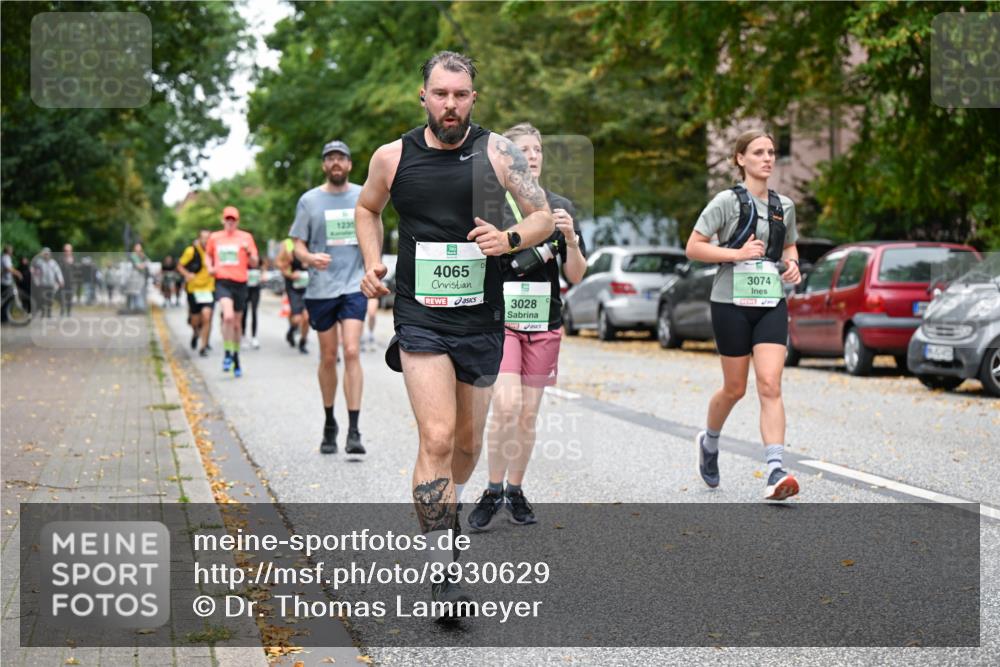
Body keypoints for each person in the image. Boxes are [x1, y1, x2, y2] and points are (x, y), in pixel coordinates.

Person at [357, 51, 554, 611]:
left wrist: (509, 238)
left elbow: (541, 217)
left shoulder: (498, 152)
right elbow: (367, 210)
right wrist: (373, 263)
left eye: (461, 94)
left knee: (467, 443)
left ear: (474, 98)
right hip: (421, 316)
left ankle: (452, 504)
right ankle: (443, 565)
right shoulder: (392, 157)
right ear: (423, 95)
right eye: (440, 93)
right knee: (438, 437)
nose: (450, 104)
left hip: (483, 318)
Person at [467, 123, 587, 531]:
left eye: (536, 150)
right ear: (507, 158)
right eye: (522, 150)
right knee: (506, 406)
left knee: (527, 415)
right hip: (501, 322)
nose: (531, 156)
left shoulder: (558, 206)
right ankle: (492, 488)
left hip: (544, 320)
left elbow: (577, 275)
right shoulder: (493, 204)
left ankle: (514, 491)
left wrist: (569, 239)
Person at [685, 129, 802, 501]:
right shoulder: (725, 201)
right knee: (735, 388)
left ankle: (775, 469)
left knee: (770, 384)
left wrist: (793, 264)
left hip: (770, 301)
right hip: (730, 302)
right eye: (758, 152)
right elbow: (693, 247)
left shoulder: (785, 206)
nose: (767, 158)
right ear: (740, 159)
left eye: (771, 152)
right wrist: (736, 254)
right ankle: (710, 439)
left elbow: (790, 244)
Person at [289, 139, 367, 455]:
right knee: (327, 356)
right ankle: (329, 421)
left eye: (342, 158)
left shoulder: (363, 195)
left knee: (351, 351)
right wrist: (309, 259)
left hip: (353, 285)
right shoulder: (309, 201)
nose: (336, 163)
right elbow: (297, 244)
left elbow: (372, 231)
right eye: (330, 158)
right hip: (321, 289)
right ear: (324, 165)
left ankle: (354, 429)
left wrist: (374, 266)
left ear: (349, 164)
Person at [205, 206, 259, 378]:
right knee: (227, 316)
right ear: (223, 220)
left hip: (240, 283)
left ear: (237, 221)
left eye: (233, 219)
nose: (230, 222)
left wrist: (248, 251)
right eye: (227, 219)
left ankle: (235, 357)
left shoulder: (246, 237)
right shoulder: (215, 238)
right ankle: (227, 353)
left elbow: (255, 262)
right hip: (222, 281)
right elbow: (207, 255)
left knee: (237, 323)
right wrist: (210, 267)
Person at [178, 229, 215, 357]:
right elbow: (180, 265)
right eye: (203, 238)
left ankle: (203, 347)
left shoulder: (214, 251)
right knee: (195, 320)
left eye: (208, 238)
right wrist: (187, 274)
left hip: (209, 288)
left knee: (207, 316)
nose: (206, 241)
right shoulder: (191, 251)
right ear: (199, 239)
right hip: (194, 289)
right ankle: (195, 333)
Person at [275, 238, 310, 354]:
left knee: (307, 317)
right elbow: (279, 263)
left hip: (308, 286)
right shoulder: (288, 244)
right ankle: (291, 331)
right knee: (297, 318)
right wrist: (290, 274)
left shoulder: (311, 242)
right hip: (293, 286)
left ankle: (303, 342)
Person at [31, 247, 63, 319]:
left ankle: (49, 313)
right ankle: (43, 312)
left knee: (50, 299)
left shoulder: (53, 263)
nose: (46, 255)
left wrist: (60, 280)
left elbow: (58, 272)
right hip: (42, 284)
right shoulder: (39, 262)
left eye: (47, 254)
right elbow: (34, 272)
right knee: (42, 298)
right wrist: (36, 281)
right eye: (45, 254)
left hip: (51, 284)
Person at [242, 256, 263, 349]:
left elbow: (263, 267)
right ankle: (243, 336)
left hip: (255, 289)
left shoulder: (258, 257)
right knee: (244, 312)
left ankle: (254, 337)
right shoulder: (243, 257)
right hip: (245, 289)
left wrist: (263, 275)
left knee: (254, 312)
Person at [2, 245, 24, 323]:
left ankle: (5, 317)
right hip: (5, 282)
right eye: (11, 250)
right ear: (8, 251)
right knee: (7, 299)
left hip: (7, 281)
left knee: (6, 299)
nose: (12, 251)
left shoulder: (5, 258)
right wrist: (17, 273)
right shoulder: (5, 258)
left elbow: (9, 268)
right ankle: (4, 318)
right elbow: (8, 268)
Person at [58, 243, 76, 317]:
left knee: (69, 297)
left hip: (71, 281)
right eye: (66, 250)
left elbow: (76, 270)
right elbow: (58, 270)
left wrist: (72, 263)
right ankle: (62, 311)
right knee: (62, 297)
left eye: (69, 250)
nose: (67, 252)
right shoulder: (61, 259)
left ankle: (69, 312)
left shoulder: (74, 259)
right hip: (62, 281)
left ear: (71, 251)